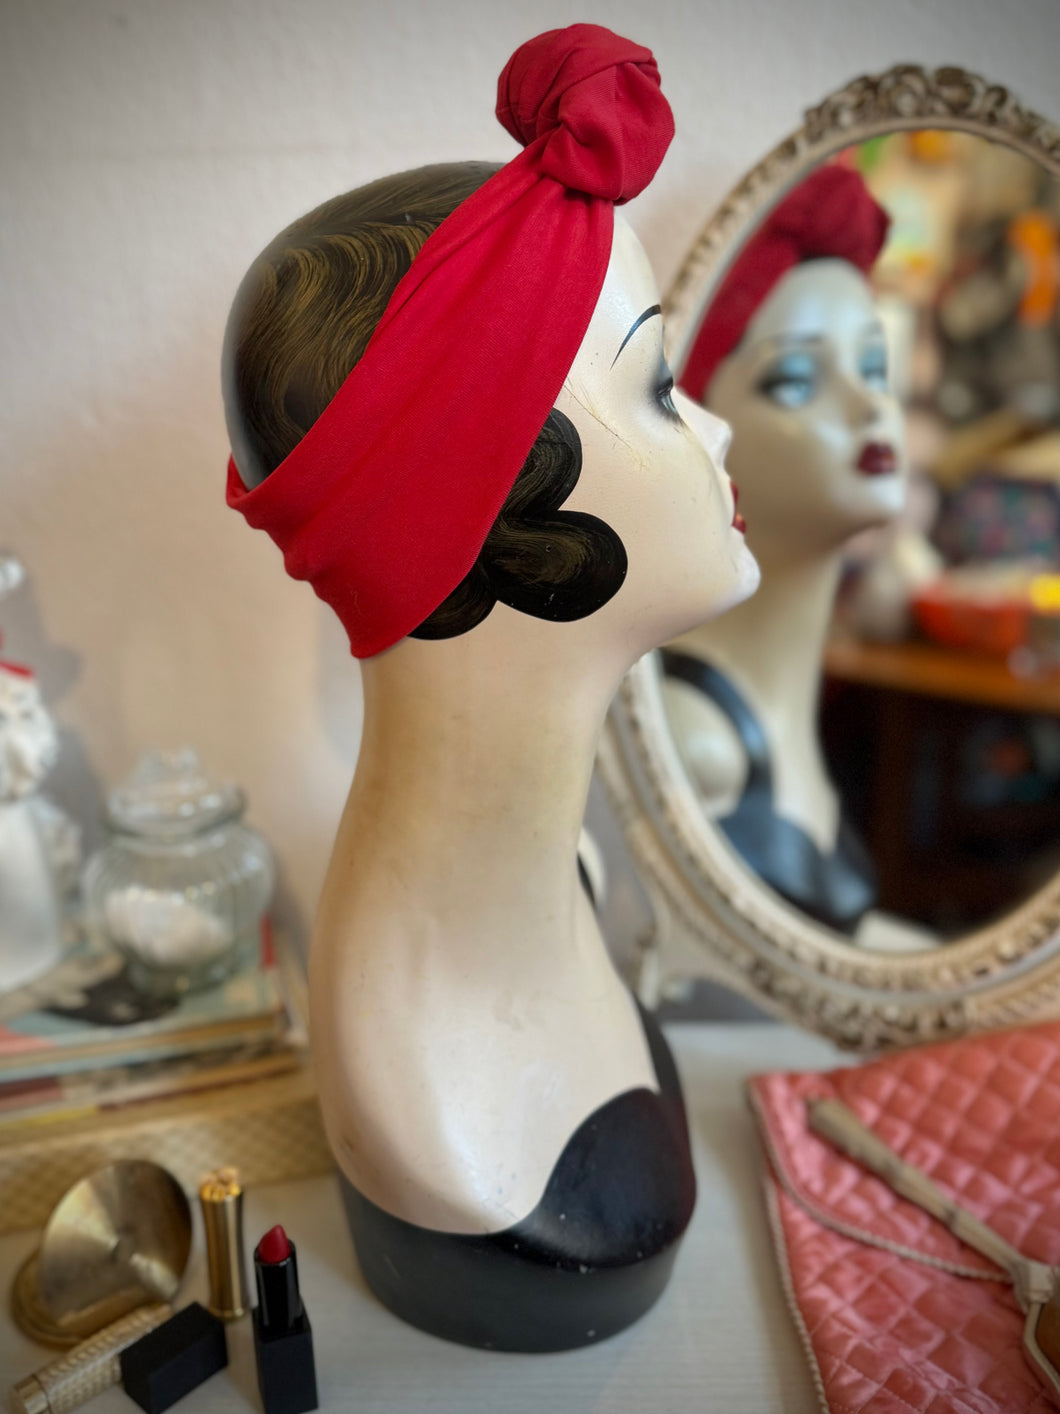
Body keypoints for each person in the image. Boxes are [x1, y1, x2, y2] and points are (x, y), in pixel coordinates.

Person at [223, 25, 757, 1351]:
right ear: (495, 504)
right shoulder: (417, 1084)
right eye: (660, 385)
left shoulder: (574, 869)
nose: (718, 429)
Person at [664, 164, 906, 937]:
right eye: (796, 381)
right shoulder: (696, 744)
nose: (869, 406)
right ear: (703, 427)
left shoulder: (785, 729)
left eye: (875, 367)